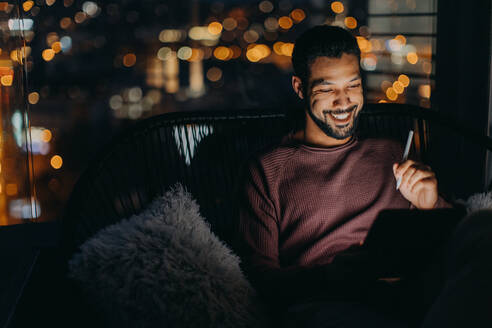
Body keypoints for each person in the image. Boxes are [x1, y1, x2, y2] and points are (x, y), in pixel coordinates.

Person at [238, 25, 492, 327]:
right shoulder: (267, 171)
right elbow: (261, 280)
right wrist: (332, 275)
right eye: (327, 89)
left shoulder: (392, 152)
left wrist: (430, 204)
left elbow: (448, 244)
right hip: (328, 304)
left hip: (407, 294)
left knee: (481, 228)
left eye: (352, 85)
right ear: (299, 87)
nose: (343, 102)